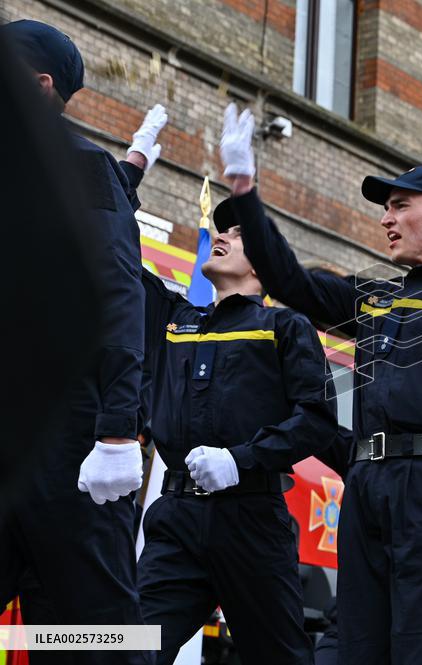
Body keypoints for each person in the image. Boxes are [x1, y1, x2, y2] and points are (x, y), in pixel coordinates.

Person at [213, 104, 422, 665]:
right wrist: (246, 191)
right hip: (367, 483)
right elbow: (291, 282)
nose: (386, 218)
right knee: (350, 647)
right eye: (386, 209)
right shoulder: (376, 297)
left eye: (400, 206)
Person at [136, 162, 344, 662]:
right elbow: (114, 255)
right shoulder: (176, 319)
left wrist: (241, 459)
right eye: (219, 229)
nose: (219, 236)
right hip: (177, 520)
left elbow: (315, 420)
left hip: (251, 521)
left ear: (262, 265)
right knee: (127, 645)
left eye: (237, 233)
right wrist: (127, 173)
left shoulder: (285, 326)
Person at [0, 20, 151, 664]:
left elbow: (118, 291)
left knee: (90, 633)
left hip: (69, 447)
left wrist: (117, 431)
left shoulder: (83, 166)